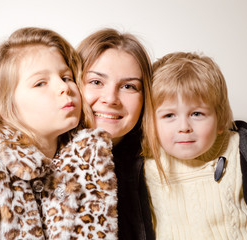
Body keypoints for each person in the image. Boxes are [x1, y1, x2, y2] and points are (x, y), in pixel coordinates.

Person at [0, 27, 118, 239]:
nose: (64, 87)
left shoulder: (87, 164)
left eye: (66, 77)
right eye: (40, 83)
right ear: (5, 105)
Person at [143, 51, 247, 239]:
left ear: (220, 119)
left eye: (197, 114)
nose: (184, 127)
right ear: (150, 123)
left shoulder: (242, 150)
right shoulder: (145, 166)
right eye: (169, 115)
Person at [77, 28, 155, 240]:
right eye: (96, 82)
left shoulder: (155, 163)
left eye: (128, 86)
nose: (111, 99)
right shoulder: (43, 160)